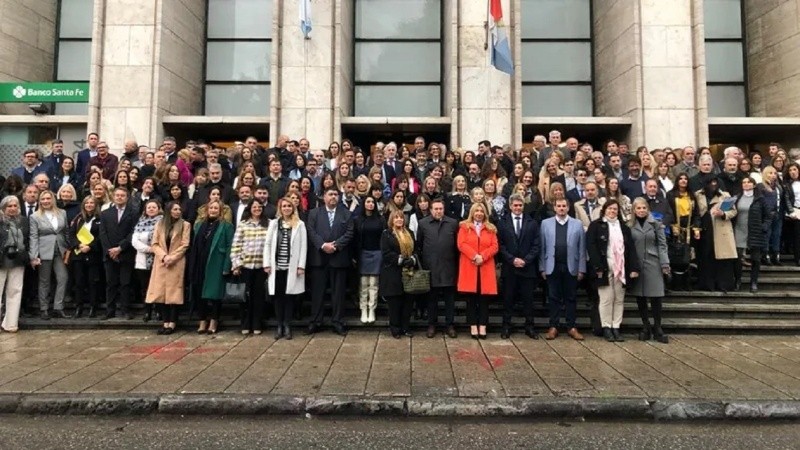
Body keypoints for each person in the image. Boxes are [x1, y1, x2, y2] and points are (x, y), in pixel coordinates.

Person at [587, 199, 640, 342]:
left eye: (615, 209)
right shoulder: (596, 226)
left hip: (621, 267)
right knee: (606, 299)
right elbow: (592, 248)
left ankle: (616, 327)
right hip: (604, 267)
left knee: (619, 299)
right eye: (610, 208)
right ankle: (606, 327)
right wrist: (597, 266)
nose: (612, 211)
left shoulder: (623, 227)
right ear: (604, 210)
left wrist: (634, 268)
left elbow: (630, 249)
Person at [305, 187, 354, 336]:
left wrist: (336, 245)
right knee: (317, 292)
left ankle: (337, 321)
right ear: (324, 197)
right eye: (330, 194)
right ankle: (315, 321)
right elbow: (310, 231)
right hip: (319, 258)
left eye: (336, 195)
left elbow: (350, 232)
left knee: (338, 293)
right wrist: (322, 245)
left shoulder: (346, 213)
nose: (333, 197)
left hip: (338, 257)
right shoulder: (314, 213)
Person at [539, 198, 586, 341]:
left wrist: (581, 269)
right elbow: (542, 247)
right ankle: (554, 326)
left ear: (568, 207)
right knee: (553, 297)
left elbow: (582, 248)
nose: (561, 208)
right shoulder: (545, 224)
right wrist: (542, 268)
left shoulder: (577, 224)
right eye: (558, 206)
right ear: (554, 208)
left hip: (571, 266)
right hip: (552, 265)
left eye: (564, 206)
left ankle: (571, 326)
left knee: (570, 297)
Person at [627, 198, 671, 343]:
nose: (641, 211)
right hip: (637, 264)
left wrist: (665, 263)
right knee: (640, 296)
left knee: (656, 296)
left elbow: (662, 244)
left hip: (653, 263)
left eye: (644, 208)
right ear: (634, 210)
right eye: (638, 208)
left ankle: (658, 327)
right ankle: (645, 326)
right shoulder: (629, 225)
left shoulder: (656, 224)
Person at [497, 194, 541, 339]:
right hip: (510, 268)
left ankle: (530, 327)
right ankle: (506, 326)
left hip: (527, 268)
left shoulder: (532, 223)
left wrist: (526, 260)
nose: (517, 208)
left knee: (528, 300)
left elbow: (536, 244)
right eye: (515, 205)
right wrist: (512, 259)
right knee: (508, 299)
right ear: (510, 206)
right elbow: (500, 245)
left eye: (520, 205)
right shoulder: (502, 222)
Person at [263, 197, 307, 340]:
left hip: (292, 267)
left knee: (289, 297)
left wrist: (301, 265)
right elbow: (268, 244)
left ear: (293, 208)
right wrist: (267, 263)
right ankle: (279, 325)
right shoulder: (274, 224)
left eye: (289, 206)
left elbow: (303, 246)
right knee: (278, 297)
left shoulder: (299, 224)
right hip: (277, 266)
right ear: (280, 208)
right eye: (284, 206)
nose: (287, 208)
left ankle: (287, 325)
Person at [188, 199, 233, 334]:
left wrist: (226, 267)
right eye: (211, 208)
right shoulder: (199, 225)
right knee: (199, 292)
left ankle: (214, 320)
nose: (213, 210)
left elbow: (230, 247)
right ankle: (202, 320)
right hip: (200, 263)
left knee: (215, 294)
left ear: (220, 211)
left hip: (216, 264)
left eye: (216, 208)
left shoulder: (226, 226)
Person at [417, 198, 459, 338]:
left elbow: (456, 246)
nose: (438, 211)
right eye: (435, 209)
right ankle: (431, 324)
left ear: (444, 209)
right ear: (430, 210)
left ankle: (450, 325)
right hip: (431, 267)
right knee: (431, 299)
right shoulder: (423, 224)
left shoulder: (452, 223)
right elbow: (420, 244)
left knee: (449, 299)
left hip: (449, 266)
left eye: (440, 209)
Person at [146, 201, 191, 334]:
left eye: (179, 209)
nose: (178, 211)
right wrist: (164, 256)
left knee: (174, 293)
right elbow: (154, 244)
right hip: (161, 262)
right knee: (161, 293)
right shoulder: (160, 224)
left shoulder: (185, 225)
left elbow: (185, 244)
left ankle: (172, 322)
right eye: (175, 209)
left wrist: (172, 257)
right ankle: (165, 322)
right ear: (169, 211)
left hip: (176, 262)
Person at [456, 202, 499, 339]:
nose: (479, 213)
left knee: (484, 299)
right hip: (470, 265)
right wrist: (475, 256)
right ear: (472, 213)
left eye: (481, 211)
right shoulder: (464, 227)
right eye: (477, 211)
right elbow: (461, 244)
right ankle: (473, 325)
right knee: (471, 299)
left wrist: (483, 256)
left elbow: (495, 246)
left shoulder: (491, 228)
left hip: (485, 266)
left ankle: (483, 325)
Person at [229, 200, 270, 335]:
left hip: (261, 266)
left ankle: (257, 323)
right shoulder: (243, 224)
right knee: (245, 296)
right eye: (254, 207)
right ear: (250, 209)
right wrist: (236, 264)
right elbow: (236, 245)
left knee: (258, 296)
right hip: (245, 265)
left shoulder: (269, 224)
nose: (257, 209)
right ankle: (245, 323)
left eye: (259, 207)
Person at [28, 190, 70, 320]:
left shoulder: (62, 213)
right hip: (44, 250)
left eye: (48, 198)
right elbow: (33, 236)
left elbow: (66, 231)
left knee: (63, 277)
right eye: (43, 199)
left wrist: (69, 247)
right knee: (44, 281)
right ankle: (44, 309)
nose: (46, 201)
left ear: (53, 199)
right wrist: (34, 255)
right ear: (40, 201)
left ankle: (58, 307)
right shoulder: (35, 216)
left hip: (60, 249)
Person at [99, 187, 139, 320]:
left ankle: (125, 310)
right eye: (117, 195)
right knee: (110, 283)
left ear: (127, 198)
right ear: (113, 197)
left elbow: (133, 232)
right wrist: (111, 250)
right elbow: (103, 233)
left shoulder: (133, 213)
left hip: (126, 253)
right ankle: (110, 311)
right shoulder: (105, 213)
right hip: (109, 254)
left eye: (122, 195)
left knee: (125, 283)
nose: (119, 197)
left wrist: (120, 248)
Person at [695, 176, 738, 292]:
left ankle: (723, 284)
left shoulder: (725, 196)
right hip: (705, 229)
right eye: (710, 182)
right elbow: (696, 212)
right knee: (706, 256)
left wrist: (723, 213)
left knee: (722, 258)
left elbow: (733, 211)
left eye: (715, 182)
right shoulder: (698, 195)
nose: (713, 184)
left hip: (720, 229)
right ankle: (707, 284)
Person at [380, 210, 416, 338]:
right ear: (392, 220)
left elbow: (416, 249)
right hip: (393, 273)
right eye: (396, 218)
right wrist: (399, 259)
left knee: (407, 303)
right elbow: (386, 253)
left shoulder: (410, 233)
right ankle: (395, 329)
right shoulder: (387, 234)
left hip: (409, 273)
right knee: (394, 304)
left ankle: (406, 327)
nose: (399, 219)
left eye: (401, 217)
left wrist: (412, 260)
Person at [68, 196, 103, 319]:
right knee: (79, 282)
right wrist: (78, 244)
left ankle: (93, 307)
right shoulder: (78, 218)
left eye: (91, 202)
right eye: (86, 202)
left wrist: (91, 246)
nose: (89, 205)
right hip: (78, 254)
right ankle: (79, 307)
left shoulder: (100, 219)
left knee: (93, 282)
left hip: (93, 255)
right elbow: (71, 234)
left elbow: (101, 236)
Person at [0, 196, 29, 332]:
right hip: (1, 258)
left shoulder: (23, 221)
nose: (12, 209)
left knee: (15, 291)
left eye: (15, 206)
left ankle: (11, 323)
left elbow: (28, 238)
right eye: (9, 206)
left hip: (18, 259)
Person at [131, 200, 163, 322]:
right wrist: (149, 249)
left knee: (157, 287)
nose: (151, 209)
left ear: (158, 208)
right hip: (142, 260)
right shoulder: (140, 222)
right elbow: (135, 241)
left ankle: (159, 310)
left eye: (154, 207)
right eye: (148, 207)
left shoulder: (162, 222)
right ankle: (147, 311)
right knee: (145, 287)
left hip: (158, 259)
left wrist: (155, 249)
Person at [353, 196, 384, 323]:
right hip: (363, 253)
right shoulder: (358, 220)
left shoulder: (381, 219)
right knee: (364, 284)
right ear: (363, 204)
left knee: (374, 284)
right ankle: (363, 309)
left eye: (372, 202)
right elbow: (354, 238)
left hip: (377, 253)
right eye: (368, 202)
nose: (370, 204)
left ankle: (372, 309)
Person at [734, 177, 766, 293]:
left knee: (755, 259)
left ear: (754, 185)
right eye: (744, 182)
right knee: (737, 258)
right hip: (739, 229)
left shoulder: (760, 198)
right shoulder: (737, 197)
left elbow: (768, 214)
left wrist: (764, 227)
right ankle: (738, 281)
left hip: (755, 231)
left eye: (748, 182)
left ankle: (753, 282)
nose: (746, 184)